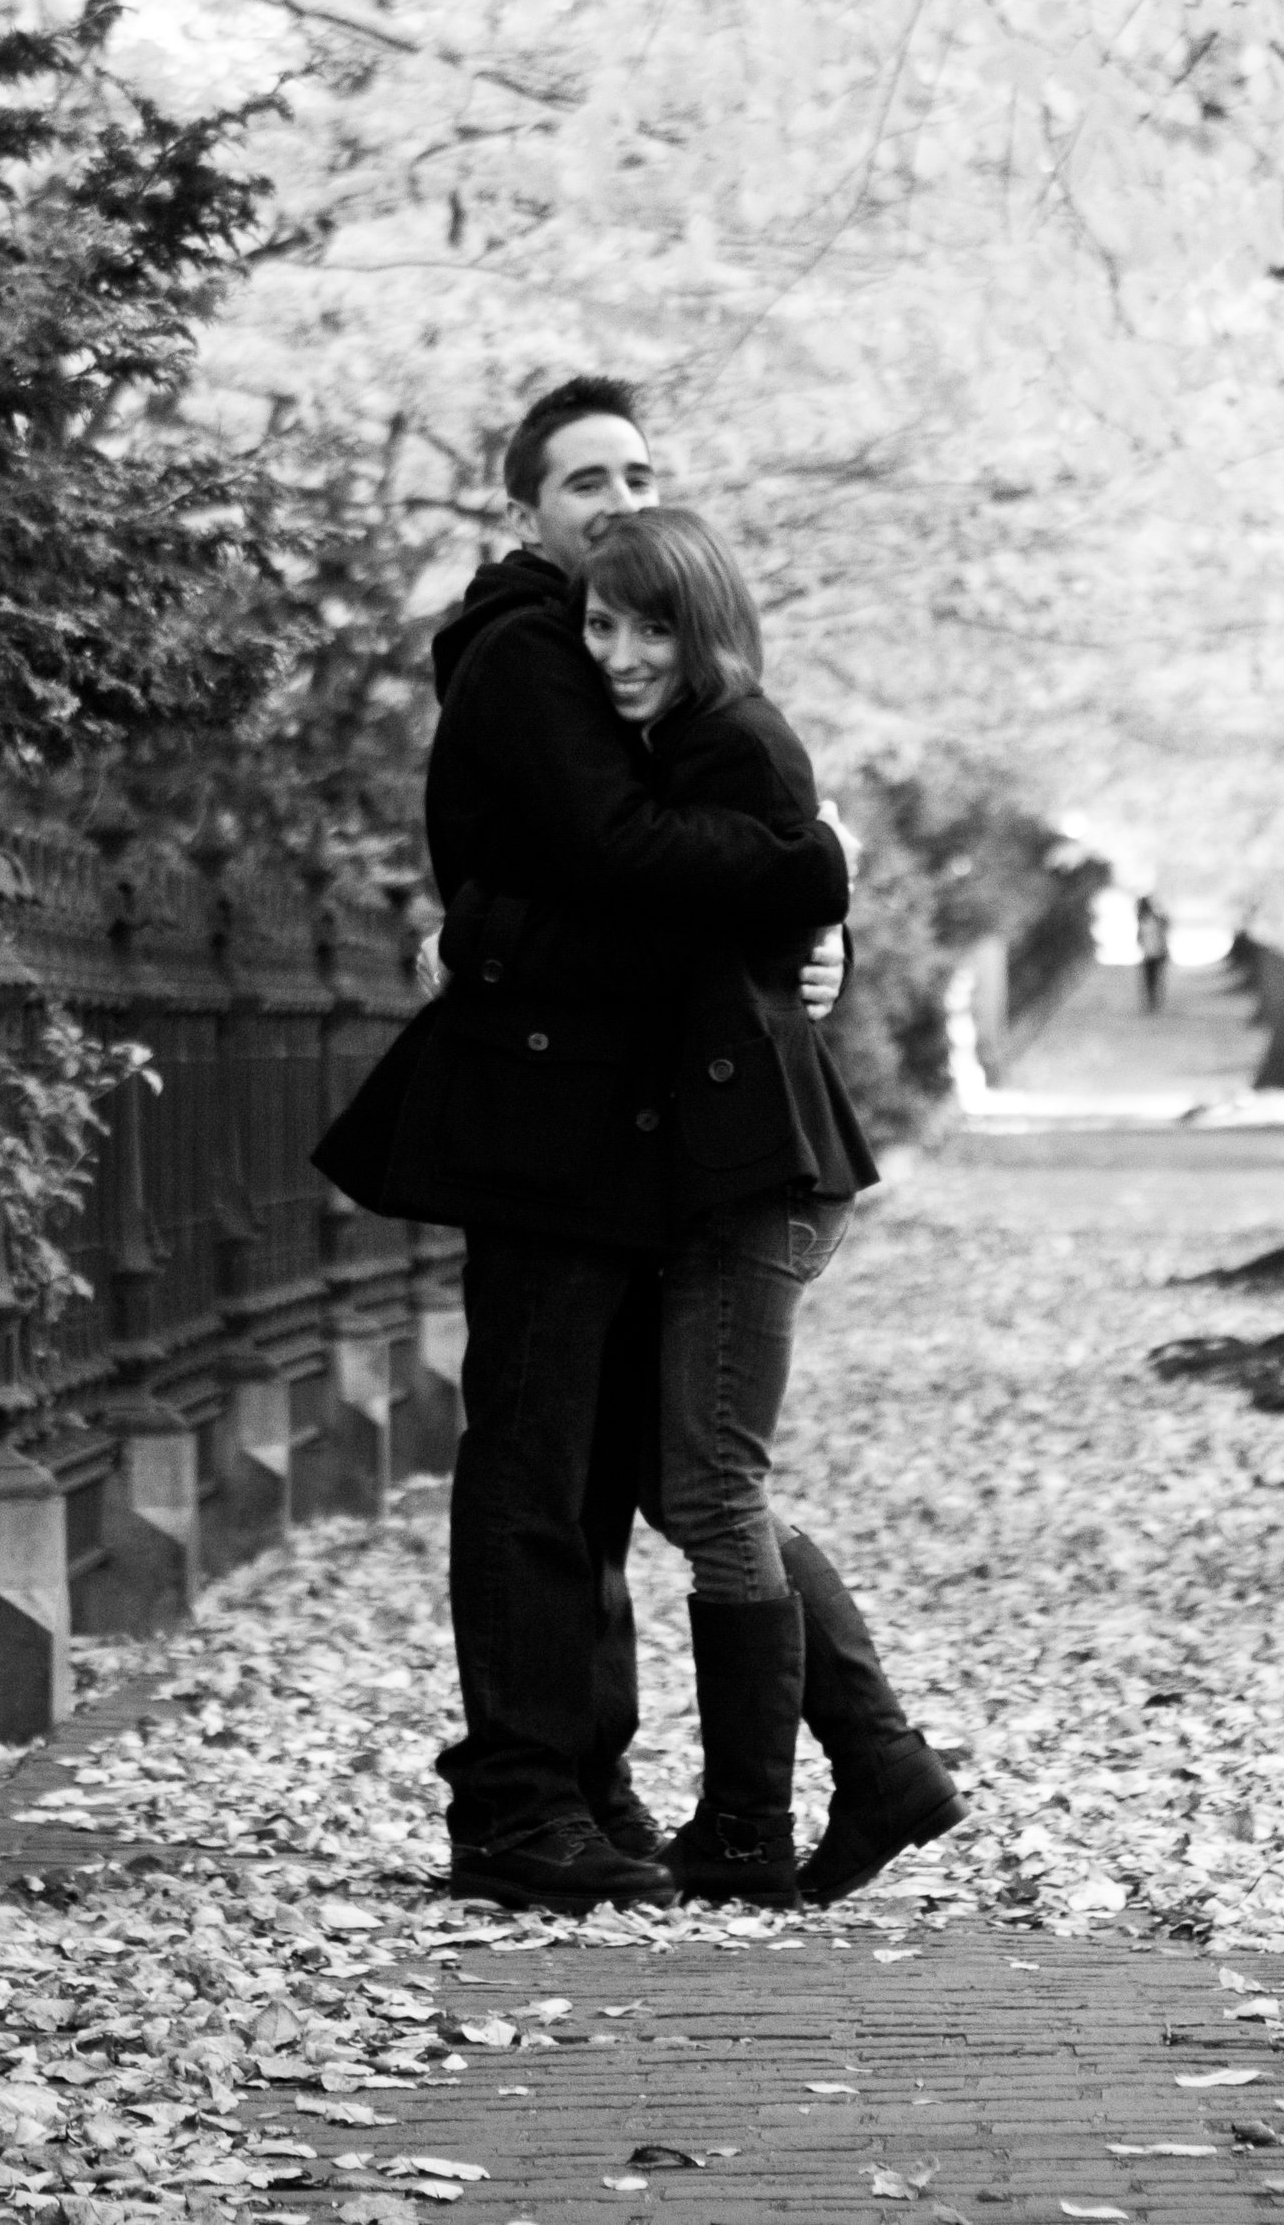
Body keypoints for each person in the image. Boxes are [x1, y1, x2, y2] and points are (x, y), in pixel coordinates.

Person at [314, 375, 955, 1914]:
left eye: (638, 471)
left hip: (635, 1134)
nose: (613, 496)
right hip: (552, 1125)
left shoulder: (647, 670)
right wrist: (811, 872)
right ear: (525, 508)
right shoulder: (530, 645)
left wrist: (809, 923)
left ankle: (630, 1783)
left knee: (647, 1472)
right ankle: (538, 1798)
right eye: (582, 477)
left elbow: (654, 878)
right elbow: (618, 856)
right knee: (557, 1468)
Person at [578, 506, 958, 1908]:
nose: (622, 651)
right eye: (603, 623)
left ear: (705, 624)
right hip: (738, 1172)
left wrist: (831, 897)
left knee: (711, 1490)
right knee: (707, 1488)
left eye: (650, 623)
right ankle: (881, 1765)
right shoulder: (691, 738)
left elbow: (789, 873)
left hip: (763, 1175)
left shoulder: (729, 738)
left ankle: (755, 1817)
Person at [1135, 889, 1171, 1016]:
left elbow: (1139, 939)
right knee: (1152, 979)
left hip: (1155, 953)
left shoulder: (1154, 919)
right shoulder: (1145, 920)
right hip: (1151, 953)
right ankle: (1153, 1002)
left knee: (1153, 979)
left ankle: (1155, 1002)